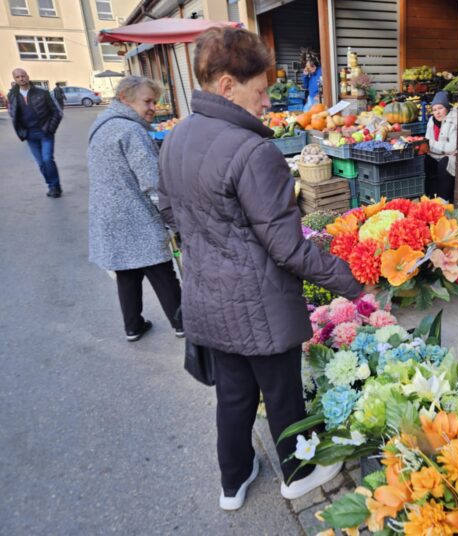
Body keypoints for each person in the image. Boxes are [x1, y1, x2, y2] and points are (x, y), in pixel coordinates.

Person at [158, 27, 362, 512]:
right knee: (283, 393)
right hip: (261, 304)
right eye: (261, 90)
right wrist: (352, 281)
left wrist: (217, 245)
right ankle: (299, 474)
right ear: (228, 85)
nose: (267, 101)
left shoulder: (176, 137)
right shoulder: (254, 151)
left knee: (233, 395)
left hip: (208, 295)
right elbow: (288, 249)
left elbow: (169, 212)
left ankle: (233, 481)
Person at [87, 76, 183, 342]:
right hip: (135, 215)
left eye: (155, 101)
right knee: (161, 270)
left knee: (127, 273)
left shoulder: (101, 125)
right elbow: (152, 182)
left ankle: (133, 325)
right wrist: (170, 219)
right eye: (147, 101)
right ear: (124, 99)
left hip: (109, 215)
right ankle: (182, 322)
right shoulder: (131, 131)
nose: (153, 107)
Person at [7, 68, 63, 197]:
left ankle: (55, 186)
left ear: (27, 76)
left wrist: (50, 128)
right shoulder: (13, 95)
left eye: (23, 75)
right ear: (15, 79)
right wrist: (21, 131)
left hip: (45, 132)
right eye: (18, 77)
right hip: (30, 135)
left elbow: (57, 112)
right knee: (41, 163)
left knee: (47, 159)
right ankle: (52, 186)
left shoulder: (42, 92)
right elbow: (13, 114)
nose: (21, 78)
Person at [424, 90, 458, 202]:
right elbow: (427, 144)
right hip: (437, 155)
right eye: (434, 110)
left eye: (440, 108)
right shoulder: (431, 121)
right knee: (427, 160)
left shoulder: (454, 119)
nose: (437, 112)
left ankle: (444, 200)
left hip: (453, 157)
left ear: (447, 108)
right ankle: (431, 197)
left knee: (444, 163)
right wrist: (431, 148)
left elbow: (452, 148)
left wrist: (431, 146)